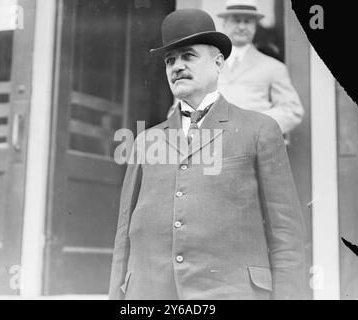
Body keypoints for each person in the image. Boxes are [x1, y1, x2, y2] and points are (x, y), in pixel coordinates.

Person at [109, 8, 307, 300]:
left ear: (217, 64)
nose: (176, 66)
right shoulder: (145, 141)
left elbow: (286, 236)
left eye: (188, 56)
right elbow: (124, 235)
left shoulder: (260, 130)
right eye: (170, 61)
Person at [217, 0, 304, 133]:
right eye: (236, 20)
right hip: (213, 145)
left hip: (253, 147)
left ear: (255, 26)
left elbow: (292, 110)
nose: (241, 27)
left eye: (247, 21)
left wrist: (256, 125)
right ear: (224, 24)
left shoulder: (273, 67)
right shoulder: (209, 64)